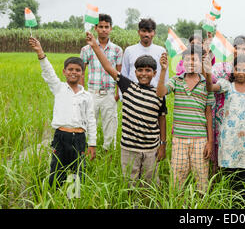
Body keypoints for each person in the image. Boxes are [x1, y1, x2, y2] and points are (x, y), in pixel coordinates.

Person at [85, 31, 167, 187]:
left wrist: (163, 144)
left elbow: (161, 118)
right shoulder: (127, 86)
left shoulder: (159, 93)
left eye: (148, 70)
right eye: (140, 70)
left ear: (154, 73)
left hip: (151, 149)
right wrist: (95, 46)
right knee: (129, 185)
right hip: (129, 149)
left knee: (150, 186)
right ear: (135, 72)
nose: (144, 74)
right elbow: (108, 67)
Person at [28, 37, 96, 188]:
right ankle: (55, 196)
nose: (74, 72)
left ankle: (72, 200)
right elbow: (49, 72)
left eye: (78, 70)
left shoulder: (87, 96)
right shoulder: (59, 88)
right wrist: (40, 52)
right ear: (64, 72)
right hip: (61, 137)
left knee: (77, 173)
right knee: (57, 170)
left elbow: (91, 120)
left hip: (79, 139)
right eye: (70, 69)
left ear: (82, 73)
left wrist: (92, 143)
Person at [156, 45, 215, 193]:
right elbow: (160, 92)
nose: (191, 62)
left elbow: (209, 114)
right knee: (177, 179)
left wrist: (209, 141)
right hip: (180, 138)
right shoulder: (176, 80)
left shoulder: (206, 85)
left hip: (200, 140)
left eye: (195, 60)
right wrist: (163, 70)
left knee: (201, 179)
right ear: (183, 62)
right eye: (188, 59)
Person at [205, 54, 245, 191]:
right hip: (228, 140)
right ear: (233, 70)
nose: (241, 73)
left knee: (244, 178)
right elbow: (210, 88)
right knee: (228, 176)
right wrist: (208, 71)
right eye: (237, 69)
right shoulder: (226, 86)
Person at [210, 35, 245, 174]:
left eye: (244, 48)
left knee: (244, 172)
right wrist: (206, 67)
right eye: (237, 48)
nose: (240, 51)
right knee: (225, 168)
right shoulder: (223, 73)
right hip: (225, 125)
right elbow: (210, 85)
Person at [80, 14, 123, 151]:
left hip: (109, 94)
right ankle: (85, 150)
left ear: (111, 28)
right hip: (92, 93)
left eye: (106, 27)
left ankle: (108, 153)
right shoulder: (86, 49)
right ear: (95, 28)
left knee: (110, 126)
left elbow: (119, 74)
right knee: (87, 123)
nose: (103, 30)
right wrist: (82, 92)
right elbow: (82, 71)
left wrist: (117, 94)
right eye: (101, 27)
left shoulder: (117, 50)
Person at [122, 18, 168, 86]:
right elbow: (124, 74)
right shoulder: (129, 51)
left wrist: (163, 93)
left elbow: (165, 74)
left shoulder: (161, 51)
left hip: (154, 93)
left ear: (154, 33)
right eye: (143, 31)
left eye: (149, 31)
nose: (146, 34)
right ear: (138, 32)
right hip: (133, 93)